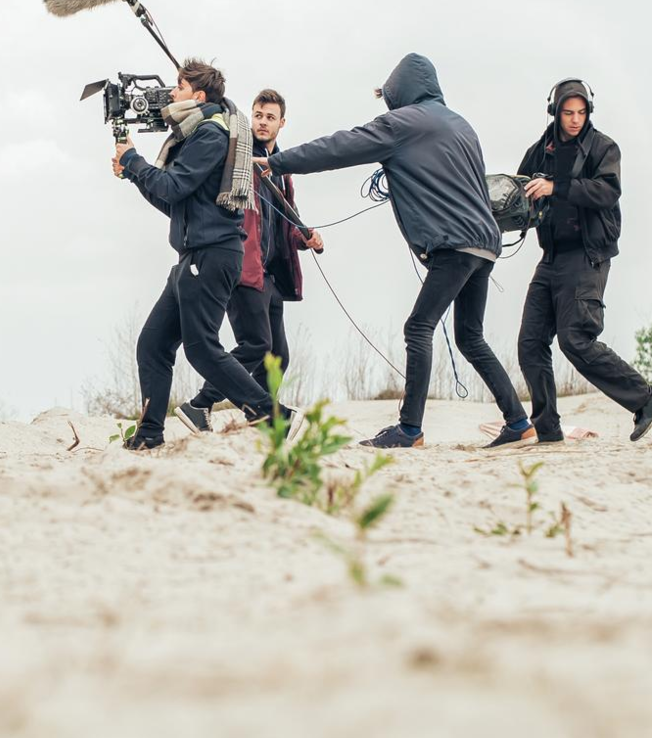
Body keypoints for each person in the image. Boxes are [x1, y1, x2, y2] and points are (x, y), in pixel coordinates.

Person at [261, 52, 530, 449]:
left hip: (455, 246)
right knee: (470, 336)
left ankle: (409, 429)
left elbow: (340, 146)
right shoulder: (461, 125)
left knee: (418, 327)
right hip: (486, 243)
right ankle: (519, 421)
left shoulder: (402, 123)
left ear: (401, 92)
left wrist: (278, 163)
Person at [114, 59, 282, 449]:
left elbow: (172, 187)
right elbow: (174, 202)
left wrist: (134, 161)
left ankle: (271, 416)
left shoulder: (209, 134)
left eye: (179, 86)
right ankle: (150, 433)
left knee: (202, 349)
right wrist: (132, 172)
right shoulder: (195, 135)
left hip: (211, 255)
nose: (172, 93)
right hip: (191, 257)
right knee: (153, 345)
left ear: (198, 95)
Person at [513, 79, 652, 445]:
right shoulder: (540, 152)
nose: (574, 120)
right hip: (550, 257)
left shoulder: (603, 148)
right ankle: (548, 430)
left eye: (581, 113)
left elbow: (607, 191)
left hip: (588, 256)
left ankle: (646, 398)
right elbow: (519, 190)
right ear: (555, 111)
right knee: (530, 343)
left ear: (589, 112)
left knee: (575, 339)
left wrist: (557, 187)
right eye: (568, 112)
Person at [176, 88, 322, 433]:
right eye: (258, 115)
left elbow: (287, 219)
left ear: (281, 123)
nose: (262, 122)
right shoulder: (240, 157)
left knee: (277, 356)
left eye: (270, 117)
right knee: (256, 345)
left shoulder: (281, 168)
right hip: (243, 266)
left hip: (270, 274)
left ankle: (257, 415)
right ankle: (204, 405)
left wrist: (306, 236)